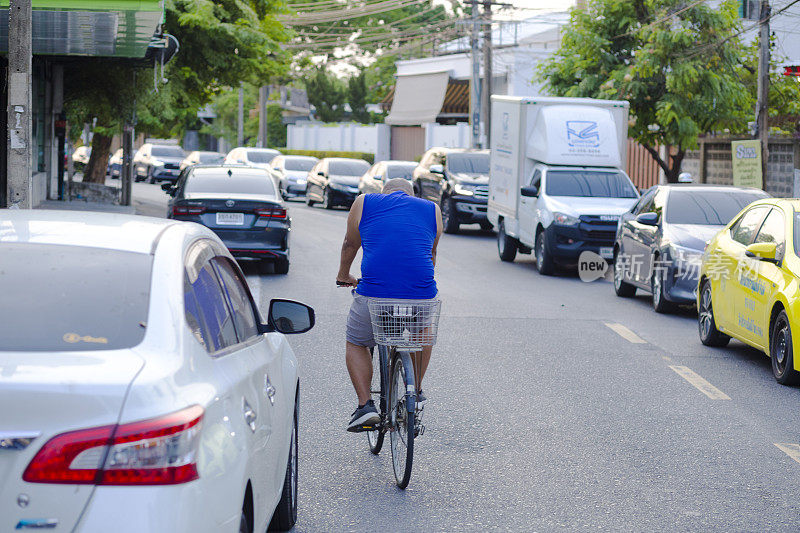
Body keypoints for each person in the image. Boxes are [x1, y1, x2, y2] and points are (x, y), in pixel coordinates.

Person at [337, 178, 442, 432]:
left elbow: (351, 244)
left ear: (384, 193)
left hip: (375, 292)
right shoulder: (432, 209)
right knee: (422, 331)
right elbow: (431, 253)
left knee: (357, 342)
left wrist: (344, 276)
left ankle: (365, 407)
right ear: (411, 195)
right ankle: (414, 392)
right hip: (420, 293)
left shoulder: (364, 202)